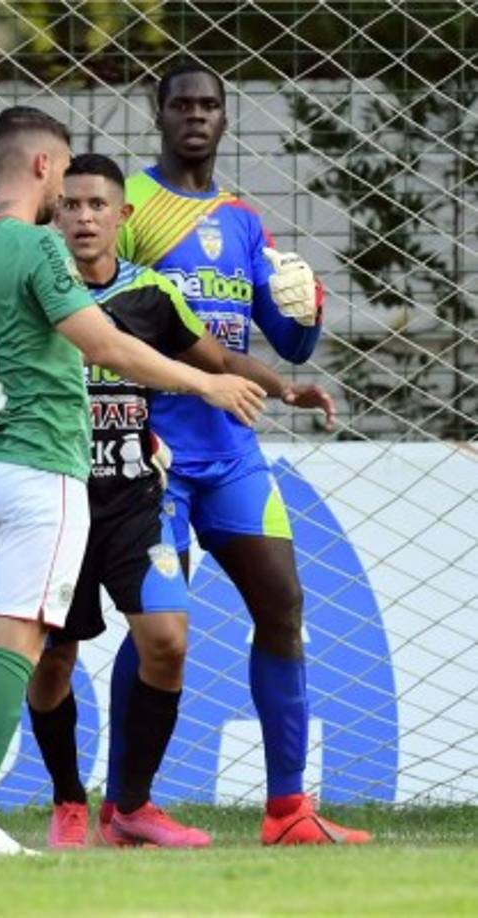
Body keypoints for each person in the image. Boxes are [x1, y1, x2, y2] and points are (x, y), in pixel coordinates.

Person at [0, 106, 266, 856]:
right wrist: (204, 385)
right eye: (64, 178)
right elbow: (105, 345)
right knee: (20, 644)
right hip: (40, 472)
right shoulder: (37, 249)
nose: (70, 201)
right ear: (40, 168)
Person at [27, 153, 336, 849]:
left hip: (159, 480)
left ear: (118, 216)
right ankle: (74, 801)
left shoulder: (160, 286)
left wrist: (284, 389)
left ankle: (152, 807)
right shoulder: (37, 289)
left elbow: (219, 360)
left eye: (95, 206)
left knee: (187, 628)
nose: (83, 217)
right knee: (54, 657)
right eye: (70, 205)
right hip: (71, 490)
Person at [108, 60, 373, 846]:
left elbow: (285, 342)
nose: (195, 114)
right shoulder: (132, 206)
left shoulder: (243, 221)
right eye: (181, 103)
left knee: (283, 604)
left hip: (230, 451)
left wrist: (306, 308)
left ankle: (287, 811)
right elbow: (101, 308)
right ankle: (128, 807)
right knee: (156, 627)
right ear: (158, 113)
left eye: (209, 104)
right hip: (153, 450)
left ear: (225, 118)